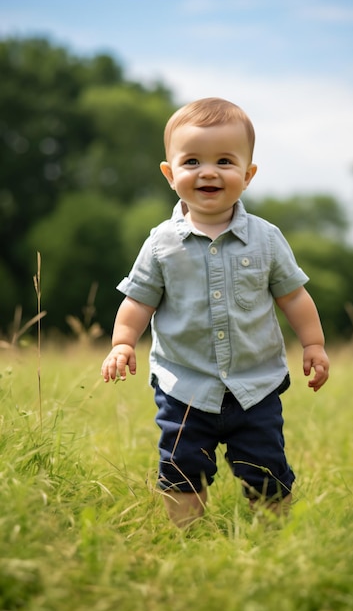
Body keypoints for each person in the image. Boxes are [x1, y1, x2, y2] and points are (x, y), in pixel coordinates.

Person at [101, 97, 329, 528]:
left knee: (266, 469)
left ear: (247, 175)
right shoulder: (161, 244)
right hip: (184, 385)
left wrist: (313, 343)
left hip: (254, 385)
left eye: (225, 161)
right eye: (192, 161)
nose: (208, 172)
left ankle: (271, 538)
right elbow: (138, 300)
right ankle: (188, 539)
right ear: (171, 175)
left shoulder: (266, 238)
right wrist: (122, 343)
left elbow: (294, 296)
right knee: (182, 466)